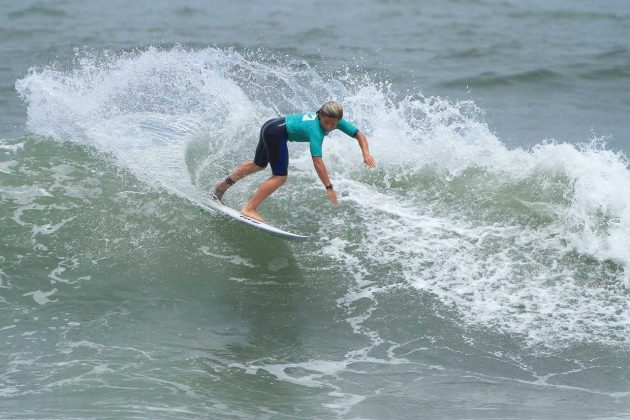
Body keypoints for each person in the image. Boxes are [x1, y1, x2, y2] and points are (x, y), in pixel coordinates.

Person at [213, 101, 376, 222]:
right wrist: (329, 187)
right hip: (276, 133)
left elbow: (359, 135)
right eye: (326, 122)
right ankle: (249, 209)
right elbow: (318, 162)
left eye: (334, 124)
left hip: (270, 125)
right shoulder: (316, 130)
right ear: (320, 115)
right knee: (280, 177)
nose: (329, 127)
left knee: (258, 164)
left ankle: (221, 186)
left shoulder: (334, 121)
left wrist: (366, 154)